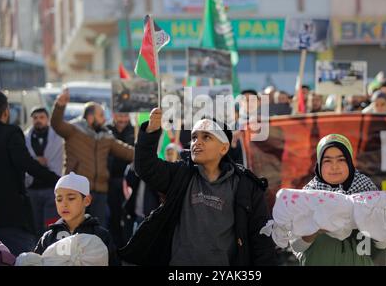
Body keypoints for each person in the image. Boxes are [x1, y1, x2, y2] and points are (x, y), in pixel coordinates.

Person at [119, 109, 277, 266]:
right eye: (194, 137)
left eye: (206, 137)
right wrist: (151, 131)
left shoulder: (246, 186)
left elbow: (261, 240)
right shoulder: (181, 174)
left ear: (224, 148)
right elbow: (145, 167)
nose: (197, 142)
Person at [290, 134, 386, 266]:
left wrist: (369, 222)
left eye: (341, 160)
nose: (334, 166)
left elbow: (384, 243)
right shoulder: (308, 196)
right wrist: (314, 229)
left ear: (349, 162)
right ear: (319, 163)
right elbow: (296, 246)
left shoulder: (368, 192)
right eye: (327, 161)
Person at [51, 89, 134, 228]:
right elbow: (56, 124)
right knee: (75, 230)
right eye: (101, 115)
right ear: (90, 117)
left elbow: (126, 151)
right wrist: (59, 105)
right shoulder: (73, 130)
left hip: (100, 192)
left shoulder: (105, 136)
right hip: (76, 193)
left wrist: (147, 155)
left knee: (97, 232)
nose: (104, 119)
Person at [0, 91, 60, 255]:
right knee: (21, 256)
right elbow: (26, 163)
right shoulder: (10, 133)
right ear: (5, 112)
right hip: (9, 212)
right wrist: (56, 179)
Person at [33, 172, 119, 266]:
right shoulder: (49, 237)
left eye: (71, 198)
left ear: (86, 200)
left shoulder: (101, 235)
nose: (64, 204)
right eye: (59, 199)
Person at [25, 107, 64, 237]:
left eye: (41, 117)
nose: (38, 121)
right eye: (35, 118)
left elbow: (57, 159)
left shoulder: (57, 138)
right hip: (32, 188)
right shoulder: (26, 138)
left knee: (50, 225)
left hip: (51, 187)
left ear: (47, 119)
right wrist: (36, 161)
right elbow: (25, 158)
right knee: (35, 225)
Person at [106, 112, 135, 248]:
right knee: (112, 215)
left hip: (129, 181)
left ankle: (127, 245)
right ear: (113, 115)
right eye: (120, 115)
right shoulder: (106, 130)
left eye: (125, 116)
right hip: (110, 180)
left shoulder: (135, 131)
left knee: (128, 215)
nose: (122, 119)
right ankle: (115, 245)